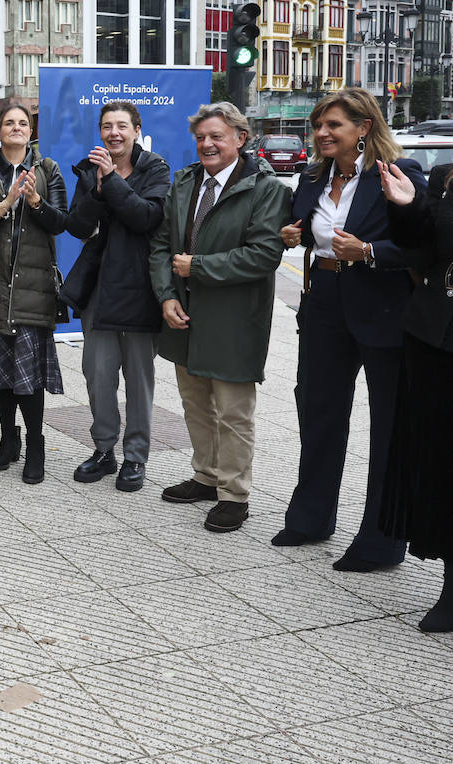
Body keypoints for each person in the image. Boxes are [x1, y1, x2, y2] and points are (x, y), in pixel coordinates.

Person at [272, 88, 425, 570]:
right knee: (318, 411)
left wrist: (371, 252)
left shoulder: (397, 176)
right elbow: (300, 228)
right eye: (318, 125)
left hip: (383, 308)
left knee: (388, 426)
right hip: (323, 305)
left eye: (333, 125)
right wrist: (291, 235)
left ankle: (381, 540)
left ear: (363, 128)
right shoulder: (312, 178)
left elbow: (424, 247)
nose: (321, 134)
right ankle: (311, 518)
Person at [149, 102, 290, 533]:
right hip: (185, 315)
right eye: (201, 138)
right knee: (195, 405)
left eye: (216, 137)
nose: (206, 145)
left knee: (233, 412)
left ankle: (234, 494)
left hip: (233, 318)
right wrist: (166, 296)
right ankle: (206, 477)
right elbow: (161, 245)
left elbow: (265, 254)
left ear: (240, 139)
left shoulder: (266, 189)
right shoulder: (185, 181)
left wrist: (200, 267)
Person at [61, 101, 170, 492]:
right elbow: (77, 225)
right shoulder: (91, 169)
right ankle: (104, 450)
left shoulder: (154, 167)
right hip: (100, 289)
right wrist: (98, 186)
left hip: (140, 288)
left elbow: (146, 217)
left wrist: (113, 181)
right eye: (107, 126)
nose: (114, 133)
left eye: (122, 126)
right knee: (97, 374)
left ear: (137, 130)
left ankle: (136, 457)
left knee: (139, 380)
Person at [0, 103, 69, 484]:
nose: (16, 128)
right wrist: (4, 205)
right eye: (8, 122)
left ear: (31, 131)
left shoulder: (47, 170)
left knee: (28, 374)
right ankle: (8, 440)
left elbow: (60, 223)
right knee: (0, 371)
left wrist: (35, 203)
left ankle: (35, 445)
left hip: (32, 286)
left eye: (22, 123)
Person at [377, 150, 453, 631]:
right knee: (441, 464)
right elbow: (422, 254)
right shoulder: (446, 179)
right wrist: (406, 208)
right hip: (437, 340)